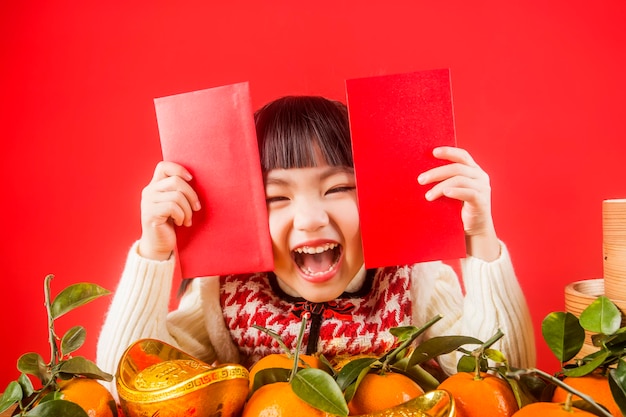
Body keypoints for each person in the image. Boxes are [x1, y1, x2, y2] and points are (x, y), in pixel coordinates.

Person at [97, 95, 536, 399]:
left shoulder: (413, 282)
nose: (310, 218)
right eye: (276, 197)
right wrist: (153, 254)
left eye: (339, 187)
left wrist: (480, 236)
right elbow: (129, 383)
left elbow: (506, 380)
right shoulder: (225, 296)